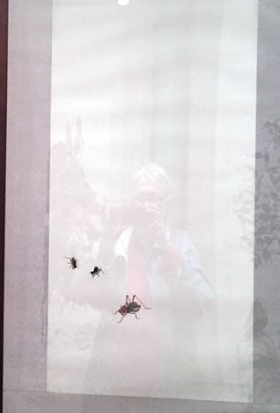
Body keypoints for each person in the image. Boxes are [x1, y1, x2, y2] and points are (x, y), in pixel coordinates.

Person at [83, 163, 215, 398]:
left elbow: (203, 301)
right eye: (139, 198)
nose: (144, 205)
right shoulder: (116, 243)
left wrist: (166, 247)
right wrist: (105, 248)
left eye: (151, 197)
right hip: (114, 384)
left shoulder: (180, 243)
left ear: (167, 203)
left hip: (168, 384)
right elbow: (86, 292)